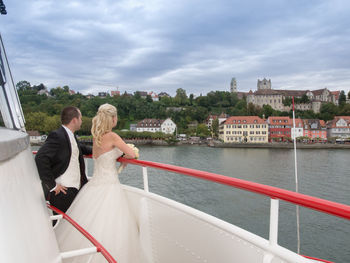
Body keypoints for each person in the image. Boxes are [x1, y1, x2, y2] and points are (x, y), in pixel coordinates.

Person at [55, 103, 146, 263]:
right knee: (112, 226)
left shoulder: (97, 138)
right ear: (112, 119)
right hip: (109, 185)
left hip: (94, 185)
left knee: (89, 224)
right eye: (116, 116)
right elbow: (131, 154)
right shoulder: (112, 136)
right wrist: (125, 153)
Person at [35, 106, 92, 213]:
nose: (82, 121)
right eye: (81, 118)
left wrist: (103, 150)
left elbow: (81, 148)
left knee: (70, 222)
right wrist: (52, 185)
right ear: (74, 120)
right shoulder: (57, 135)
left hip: (73, 189)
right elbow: (40, 158)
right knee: (61, 224)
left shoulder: (70, 135)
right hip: (62, 191)